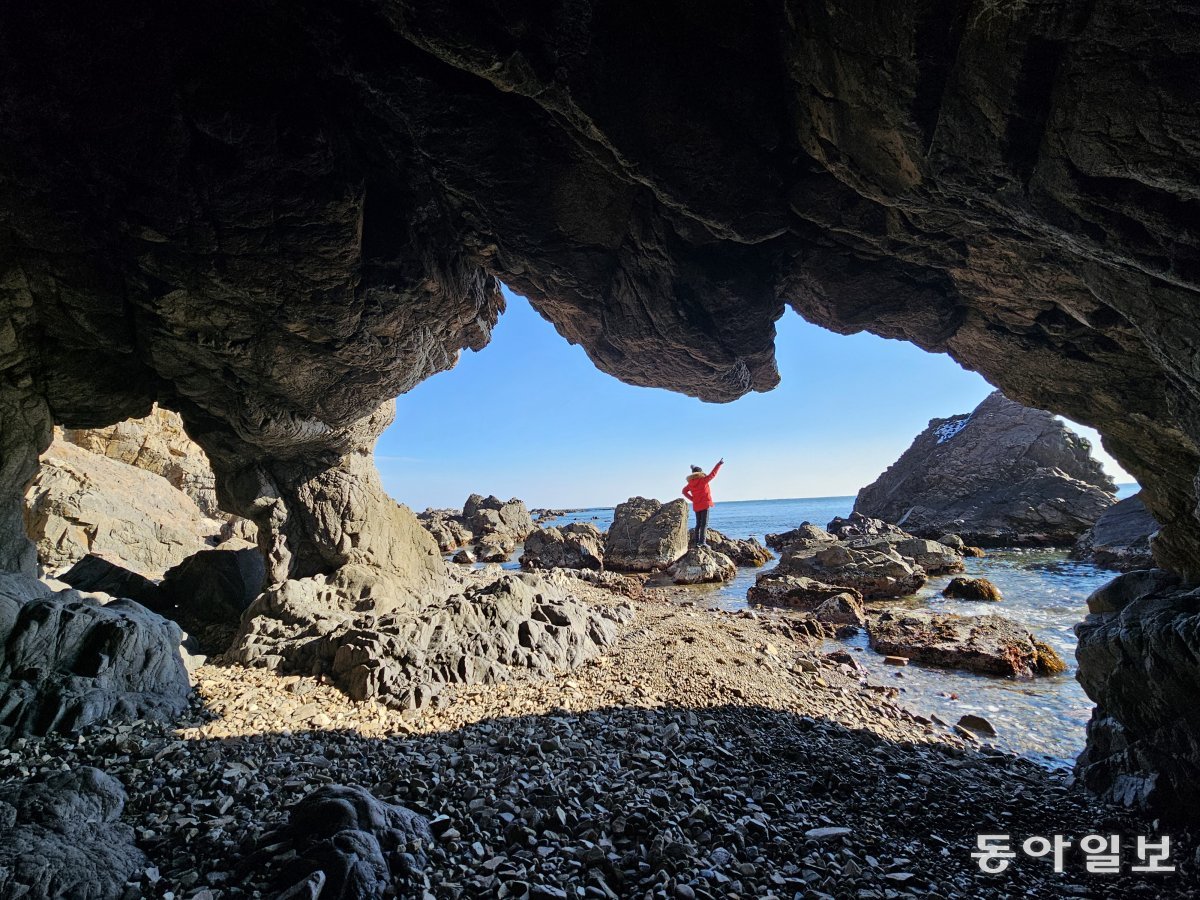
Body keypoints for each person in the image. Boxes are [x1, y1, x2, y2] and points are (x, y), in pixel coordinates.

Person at [681, 458, 723, 547]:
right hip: (704, 505)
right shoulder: (704, 480)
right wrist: (719, 464)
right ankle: (702, 542)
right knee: (704, 524)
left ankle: (697, 542)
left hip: (696, 506)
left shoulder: (690, 484)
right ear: (700, 473)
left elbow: (684, 491)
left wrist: (693, 499)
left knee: (698, 524)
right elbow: (713, 474)